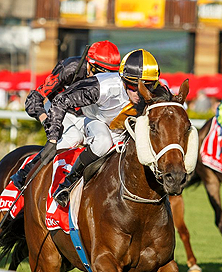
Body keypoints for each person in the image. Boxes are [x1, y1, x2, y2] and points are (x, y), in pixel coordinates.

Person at [44, 49, 161, 207]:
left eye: (147, 86)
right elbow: (60, 101)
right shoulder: (103, 86)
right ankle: (68, 183)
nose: (140, 93)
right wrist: (52, 139)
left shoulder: (158, 91)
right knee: (103, 143)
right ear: (124, 80)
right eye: (134, 86)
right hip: (96, 121)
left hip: (125, 131)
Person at [9, 40, 121, 189]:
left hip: (84, 113)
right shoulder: (70, 68)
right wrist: (47, 123)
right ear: (89, 64)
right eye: (100, 72)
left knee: (104, 142)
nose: (102, 79)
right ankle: (25, 173)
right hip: (57, 108)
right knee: (74, 137)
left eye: (110, 74)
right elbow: (33, 99)